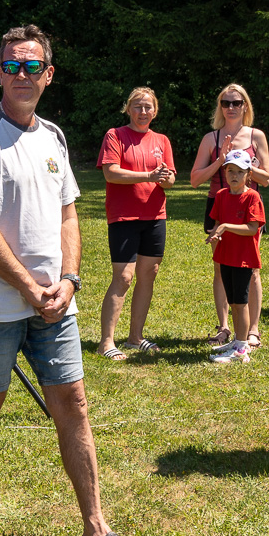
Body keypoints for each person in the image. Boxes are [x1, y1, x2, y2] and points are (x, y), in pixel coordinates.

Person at [0, 24, 145, 536]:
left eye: (31, 67)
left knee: (73, 404)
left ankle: (95, 526)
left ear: (48, 75)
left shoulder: (54, 136)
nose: (20, 75)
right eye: (11, 66)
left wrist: (69, 281)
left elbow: (69, 215)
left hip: (56, 304)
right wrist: (29, 288)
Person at [94, 86, 175, 360]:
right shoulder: (115, 135)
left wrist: (165, 178)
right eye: (138, 106)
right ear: (128, 109)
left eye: (148, 107)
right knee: (123, 277)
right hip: (124, 217)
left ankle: (135, 338)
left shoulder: (162, 140)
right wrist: (149, 176)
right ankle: (106, 342)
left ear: (155, 111)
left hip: (155, 216)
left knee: (148, 274)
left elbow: (170, 179)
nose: (143, 112)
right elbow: (111, 173)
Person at [189, 84, 269, 347]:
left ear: (245, 105)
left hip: (248, 206)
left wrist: (246, 167)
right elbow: (194, 180)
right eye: (226, 103)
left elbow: (267, 178)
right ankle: (224, 326)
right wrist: (220, 160)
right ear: (220, 107)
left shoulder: (256, 136)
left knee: (251, 269)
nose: (231, 107)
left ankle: (252, 329)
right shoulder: (210, 139)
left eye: (237, 102)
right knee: (220, 266)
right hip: (219, 205)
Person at [205, 150, 266, 364]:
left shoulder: (252, 197)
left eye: (240, 172)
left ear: (249, 174)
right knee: (233, 302)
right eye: (231, 170)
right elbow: (216, 223)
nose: (234, 175)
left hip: (243, 259)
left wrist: (225, 226)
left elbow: (252, 228)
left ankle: (241, 348)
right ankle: (238, 341)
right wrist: (215, 233)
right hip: (226, 256)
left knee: (241, 304)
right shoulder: (221, 195)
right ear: (225, 172)